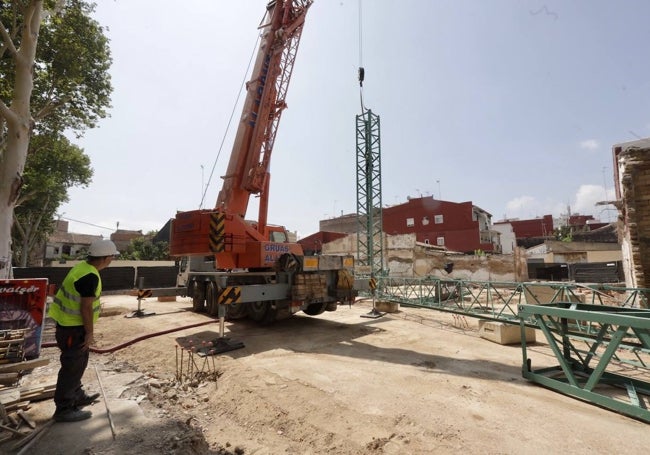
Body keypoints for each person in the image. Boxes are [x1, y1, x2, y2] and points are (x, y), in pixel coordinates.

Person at [49, 239, 119, 422]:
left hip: (68, 326)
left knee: (79, 363)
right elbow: (85, 307)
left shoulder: (82, 267)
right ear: (105, 258)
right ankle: (64, 409)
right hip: (73, 329)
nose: (112, 260)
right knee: (71, 367)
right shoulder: (90, 276)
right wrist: (89, 333)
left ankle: (77, 395)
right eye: (112, 256)